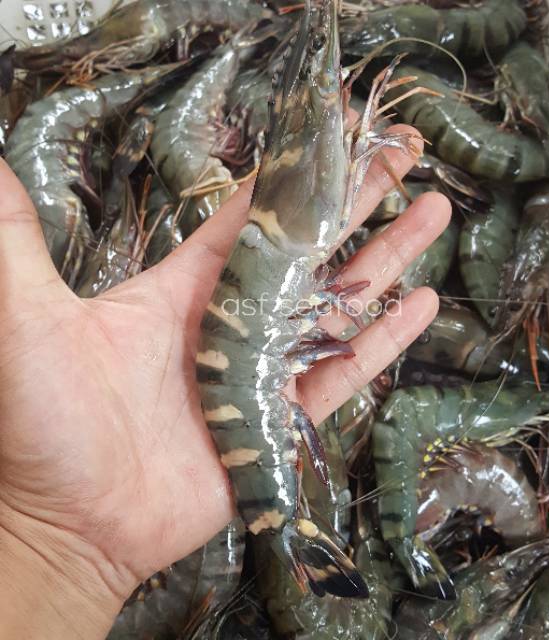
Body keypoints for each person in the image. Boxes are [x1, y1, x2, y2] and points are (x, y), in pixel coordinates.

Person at [0, 123, 450, 639]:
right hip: (256, 395)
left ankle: (288, 528)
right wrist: (54, 544)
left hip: (256, 380)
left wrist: (56, 548)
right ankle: (289, 529)